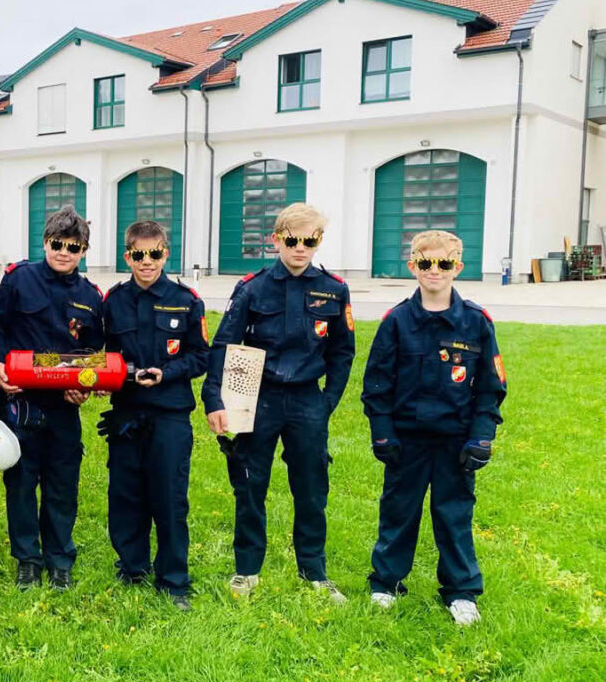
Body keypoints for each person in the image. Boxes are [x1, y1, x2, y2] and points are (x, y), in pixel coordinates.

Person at [203, 202, 354, 603]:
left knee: (311, 488)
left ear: (319, 241)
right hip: (256, 393)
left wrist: (327, 403)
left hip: (307, 399)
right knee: (250, 484)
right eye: (292, 240)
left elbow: (342, 352)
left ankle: (314, 573)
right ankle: (247, 571)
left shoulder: (334, 289)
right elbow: (225, 344)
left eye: (310, 240)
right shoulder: (252, 287)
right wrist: (215, 398)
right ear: (276, 240)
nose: (300, 248)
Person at [362, 230, 506, 625]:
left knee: (454, 515)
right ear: (413, 267)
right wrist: (383, 432)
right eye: (425, 264)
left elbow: (491, 388)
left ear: (458, 267)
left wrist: (481, 436)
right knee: (398, 512)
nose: (435, 271)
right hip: (406, 440)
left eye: (444, 264)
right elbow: (376, 385)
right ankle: (385, 584)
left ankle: (461, 591)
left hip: (455, 441)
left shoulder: (476, 322)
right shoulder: (396, 322)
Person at [0, 205, 103, 590]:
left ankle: (59, 560)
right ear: (45, 242)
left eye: (73, 247)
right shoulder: (19, 280)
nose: (63, 252)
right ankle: (27, 560)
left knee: (62, 484)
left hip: (62, 406)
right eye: (57, 244)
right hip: (19, 400)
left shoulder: (91, 296)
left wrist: (84, 387)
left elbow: (94, 352)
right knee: (21, 482)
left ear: (83, 251)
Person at [101, 221, 209, 610]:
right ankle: (132, 567)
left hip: (170, 414)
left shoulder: (186, 300)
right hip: (126, 411)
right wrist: (120, 377)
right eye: (138, 255)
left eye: (156, 253)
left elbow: (202, 356)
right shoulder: (111, 301)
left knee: (169, 496)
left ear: (166, 253)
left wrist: (168, 373)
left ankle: (173, 579)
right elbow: (104, 356)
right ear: (127, 256)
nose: (147, 262)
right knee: (125, 493)